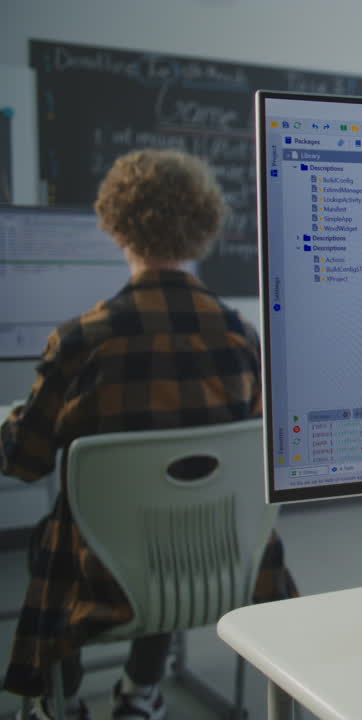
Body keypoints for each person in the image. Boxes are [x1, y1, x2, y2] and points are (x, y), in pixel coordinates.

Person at [1, 150, 298, 720]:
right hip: (225, 565)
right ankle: (140, 693)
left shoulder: (83, 339)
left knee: (67, 535)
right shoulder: (241, 335)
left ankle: (56, 701)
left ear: (114, 225)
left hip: (100, 581)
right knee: (163, 525)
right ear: (204, 226)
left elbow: (24, 460)